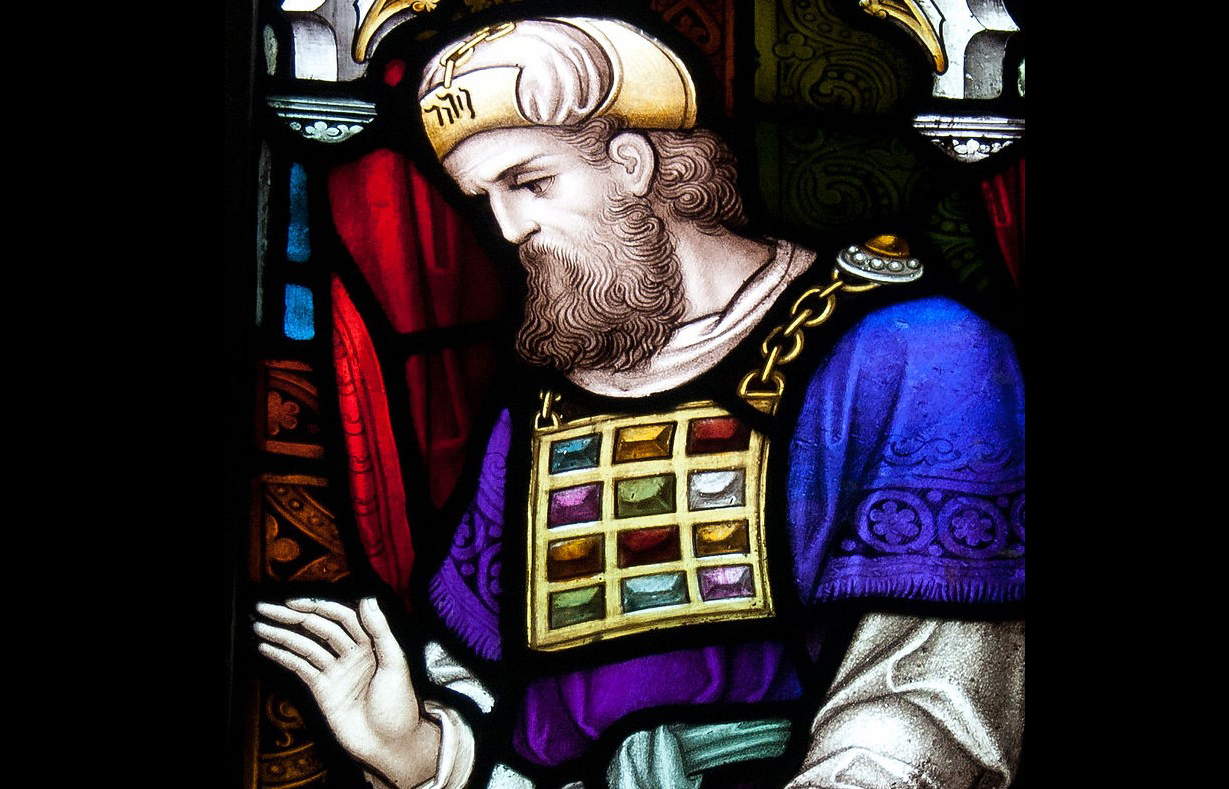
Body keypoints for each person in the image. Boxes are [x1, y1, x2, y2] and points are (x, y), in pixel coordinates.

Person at [255, 16, 1024, 789]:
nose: (510, 228)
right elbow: (490, 689)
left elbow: (928, 700)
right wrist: (420, 748)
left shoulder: (909, 352)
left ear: (631, 162)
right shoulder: (544, 409)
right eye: (484, 198)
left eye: (530, 182)